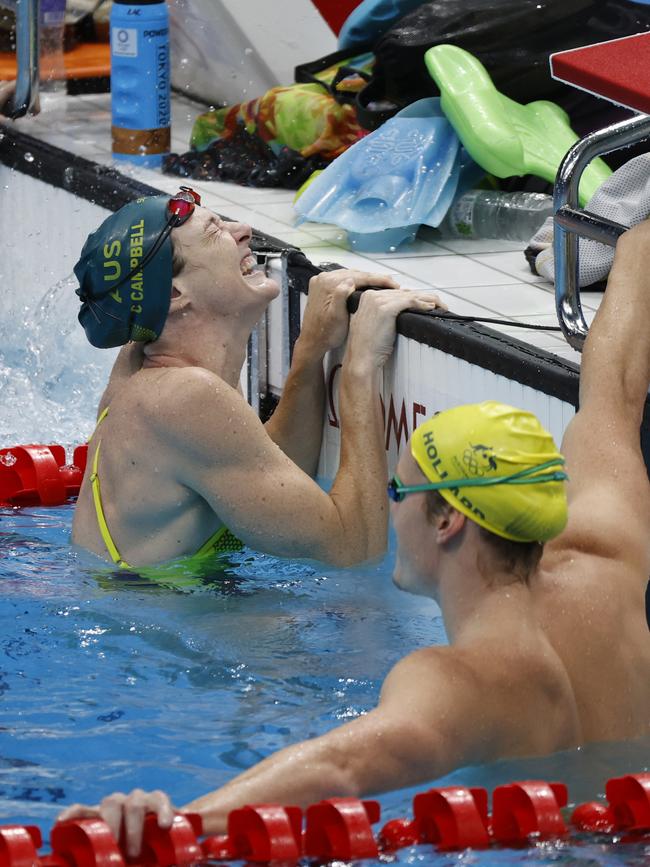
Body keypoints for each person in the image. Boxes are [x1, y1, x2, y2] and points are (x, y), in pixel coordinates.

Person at [59, 218, 650, 852]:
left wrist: (166, 828)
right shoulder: (610, 554)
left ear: (446, 521)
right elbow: (613, 392)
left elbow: (337, 766)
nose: (389, 510)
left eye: (397, 494)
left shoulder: (461, 681)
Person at [71, 188, 444, 569]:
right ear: (173, 293)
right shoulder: (183, 396)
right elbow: (356, 551)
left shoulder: (153, 363)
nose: (244, 230)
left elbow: (269, 479)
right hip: (154, 618)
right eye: (216, 232)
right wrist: (361, 370)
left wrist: (311, 350)